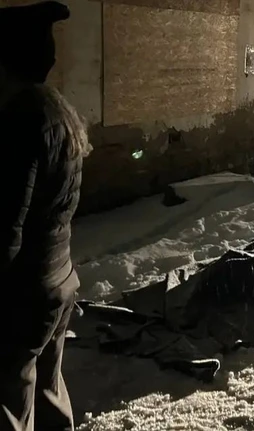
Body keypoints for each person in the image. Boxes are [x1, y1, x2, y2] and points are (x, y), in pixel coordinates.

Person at [0, 2, 91, 430]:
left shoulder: (19, 121)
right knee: (48, 392)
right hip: (59, 280)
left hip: (24, 293)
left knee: (9, 405)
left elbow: (6, 227)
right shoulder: (58, 110)